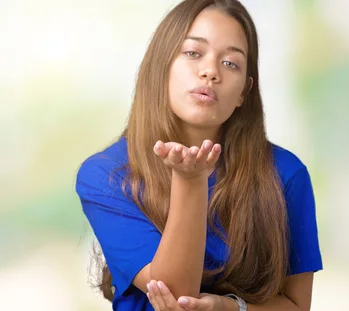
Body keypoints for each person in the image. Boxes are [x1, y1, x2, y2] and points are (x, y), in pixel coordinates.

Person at [75, 0, 323, 310]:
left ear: (244, 93)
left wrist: (231, 308)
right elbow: (173, 295)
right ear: (161, 65)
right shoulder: (105, 175)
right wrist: (190, 181)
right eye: (193, 53)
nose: (210, 72)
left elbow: (297, 305)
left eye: (231, 63)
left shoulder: (286, 173)